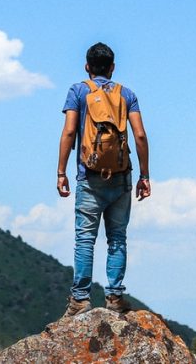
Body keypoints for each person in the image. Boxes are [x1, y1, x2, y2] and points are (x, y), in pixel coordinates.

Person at [57, 42, 151, 317]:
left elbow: (69, 132)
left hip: (89, 176)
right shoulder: (127, 95)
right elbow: (141, 135)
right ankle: (114, 297)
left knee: (85, 238)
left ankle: (80, 300)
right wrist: (144, 175)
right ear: (112, 68)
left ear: (87, 67)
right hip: (121, 177)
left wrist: (61, 172)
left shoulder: (78, 91)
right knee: (118, 238)